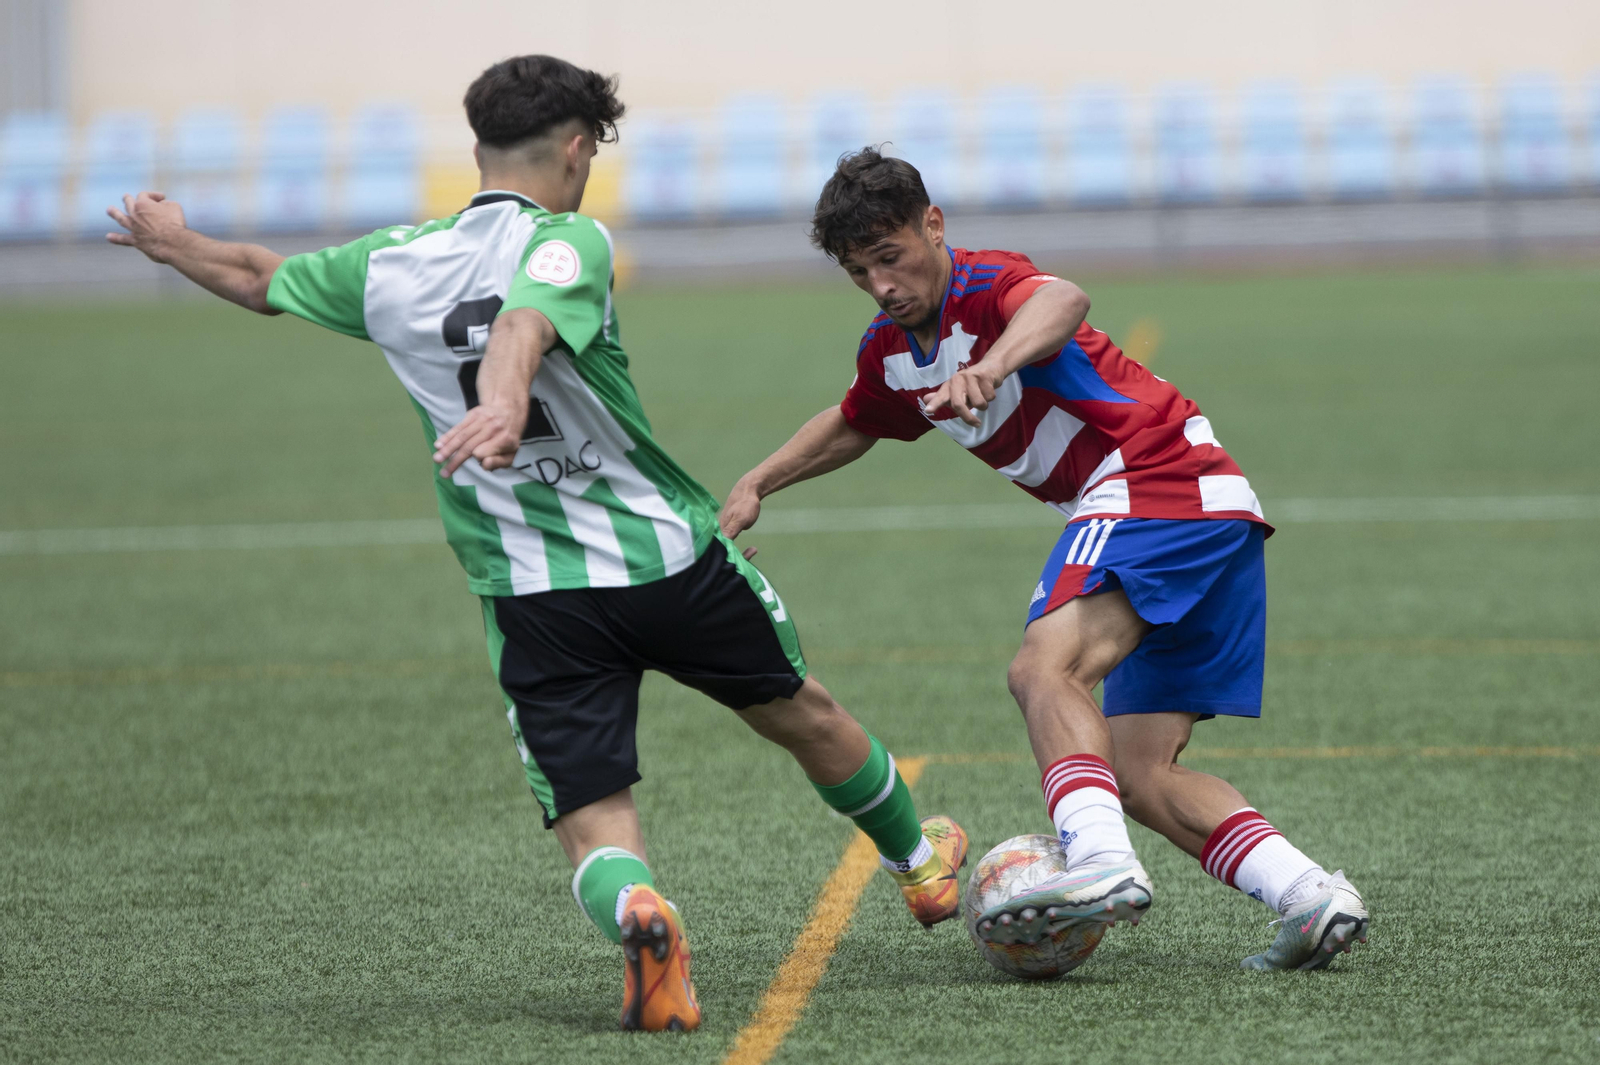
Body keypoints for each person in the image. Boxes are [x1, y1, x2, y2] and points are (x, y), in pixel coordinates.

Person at [105, 61, 967, 1030]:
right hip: (662, 558)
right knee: (802, 711)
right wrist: (507, 395)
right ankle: (920, 866)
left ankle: (642, 912)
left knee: (592, 812)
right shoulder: (568, 241)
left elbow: (260, 277)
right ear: (573, 147)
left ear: (477, 148)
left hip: (531, 592)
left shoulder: (389, 262)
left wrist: (176, 244)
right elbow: (522, 319)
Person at [720, 148, 1368, 971]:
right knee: (1137, 770)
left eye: (890, 255)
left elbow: (1062, 298)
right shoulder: (890, 349)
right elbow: (857, 418)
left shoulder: (986, 286)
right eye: (858, 271)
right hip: (1211, 510)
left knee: (1041, 670)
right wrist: (758, 481)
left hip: (1152, 478)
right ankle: (1310, 892)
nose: (881, 283)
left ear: (934, 225)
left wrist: (993, 363)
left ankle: (1098, 862)